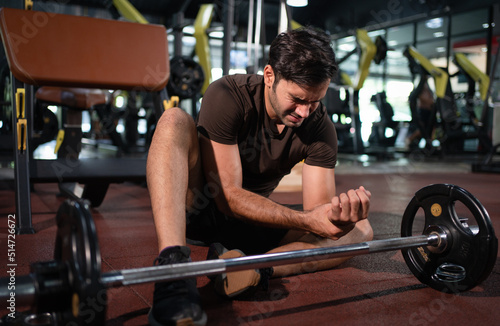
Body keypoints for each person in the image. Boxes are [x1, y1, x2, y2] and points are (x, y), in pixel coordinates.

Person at [146, 26, 373, 326]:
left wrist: (338, 218)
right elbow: (228, 197)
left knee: (361, 230)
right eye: (297, 99)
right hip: (198, 210)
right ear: (269, 76)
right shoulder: (227, 94)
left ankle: (254, 270)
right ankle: (172, 271)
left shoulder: (319, 128)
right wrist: (308, 220)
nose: (305, 112)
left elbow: (318, 217)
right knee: (173, 119)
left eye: (314, 101)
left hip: (251, 226)